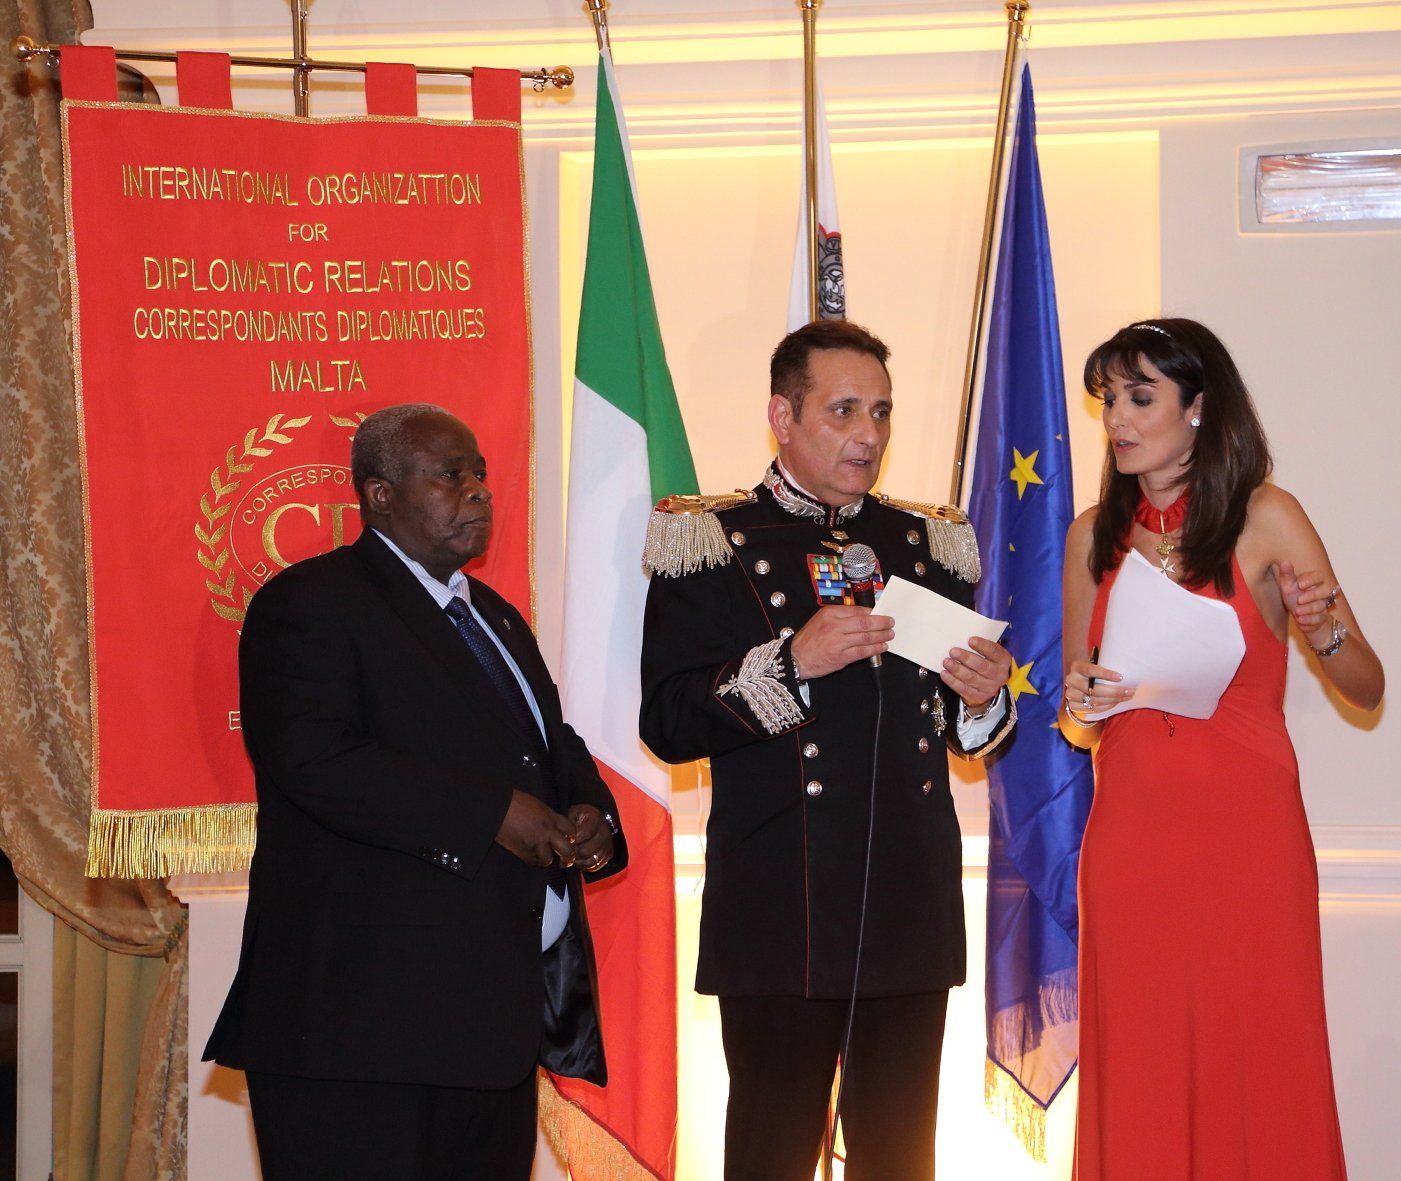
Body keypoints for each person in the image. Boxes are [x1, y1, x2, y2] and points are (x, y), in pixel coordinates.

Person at [204, 403, 627, 1181]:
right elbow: (316, 760)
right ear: (380, 494)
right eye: (449, 475)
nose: (477, 491)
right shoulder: (309, 603)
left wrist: (592, 809)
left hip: (489, 1029)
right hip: (359, 1031)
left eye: (481, 474)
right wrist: (492, 813)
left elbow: (550, 742)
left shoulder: (494, 615)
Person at [639, 319, 1016, 1181]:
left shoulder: (926, 542)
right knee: (770, 1156)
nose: (868, 434)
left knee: (900, 1159)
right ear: (783, 415)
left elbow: (957, 737)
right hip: (782, 906)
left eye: (880, 411)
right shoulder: (712, 540)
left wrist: (982, 695)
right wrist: (790, 663)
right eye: (843, 410)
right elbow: (667, 720)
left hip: (906, 900)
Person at [1060, 319, 1384, 1178]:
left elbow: (1367, 687)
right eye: (1109, 400)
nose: (1117, 419)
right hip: (1132, 845)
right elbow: (1076, 720)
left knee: (1263, 1065)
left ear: (1199, 407)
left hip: (1248, 844)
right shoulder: (1091, 535)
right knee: (1143, 1069)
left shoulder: (1268, 517)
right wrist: (1081, 702)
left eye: (1140, 397)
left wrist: (1324, 628)